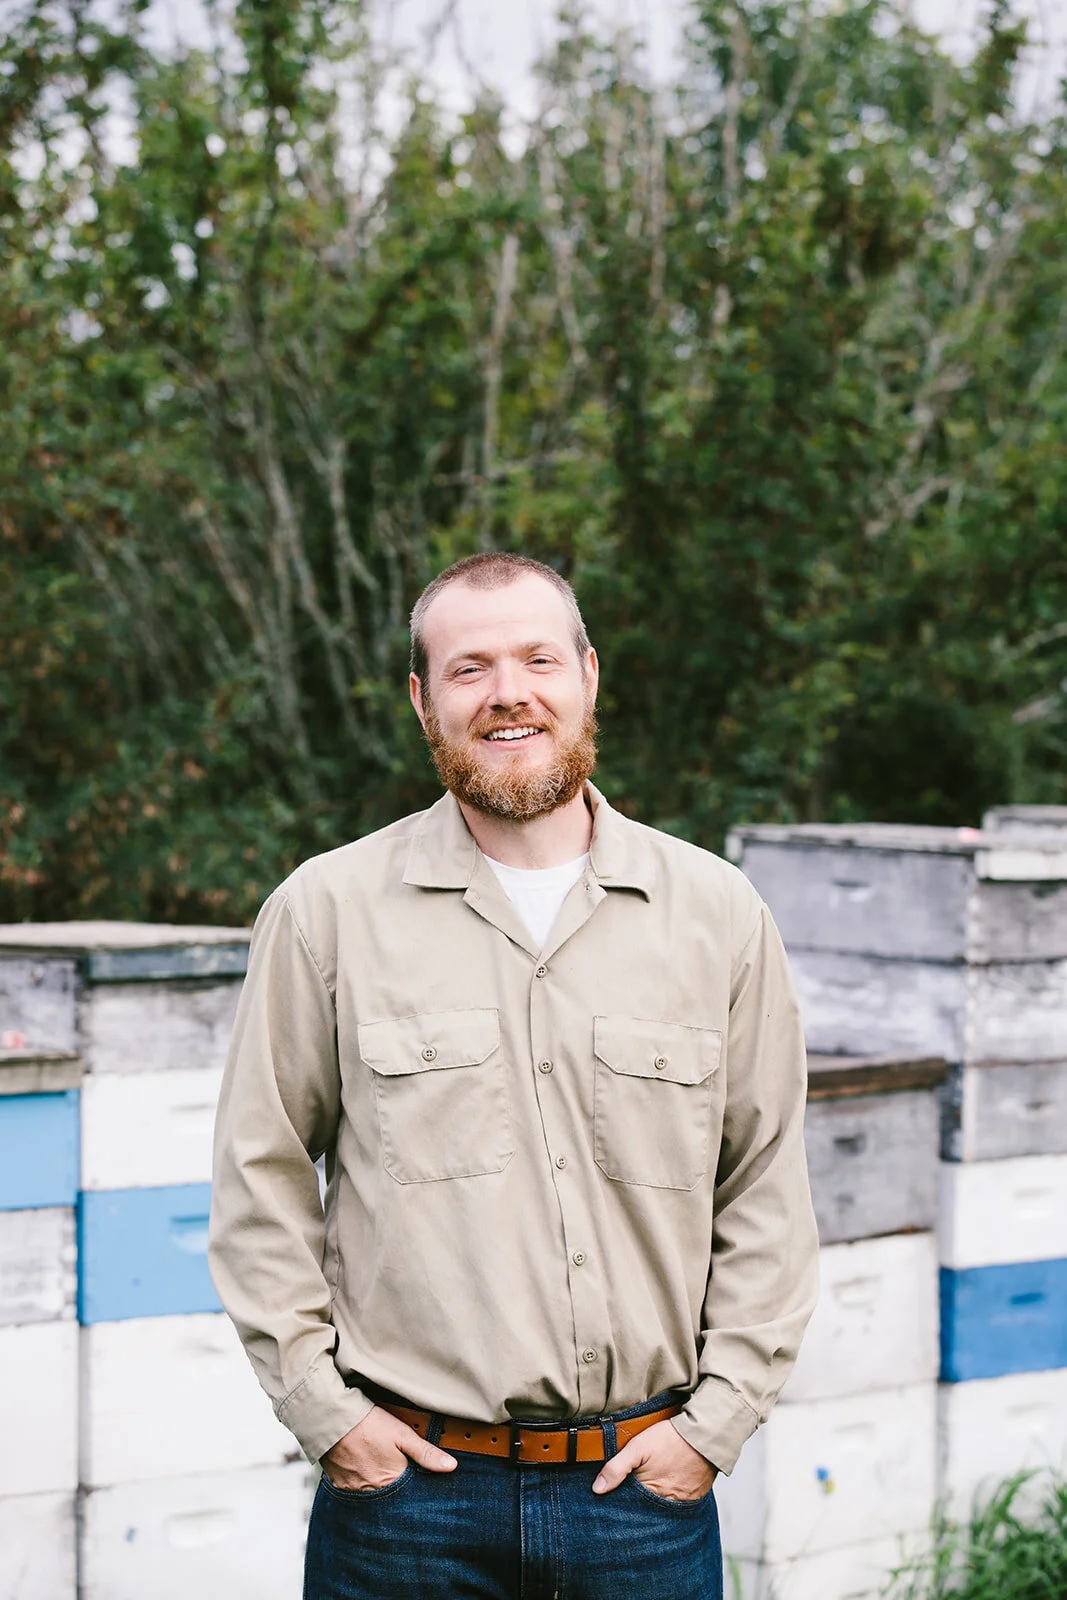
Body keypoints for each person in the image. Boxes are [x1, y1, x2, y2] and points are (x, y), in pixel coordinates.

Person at [209, 552, 819, 1600]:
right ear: (421, 699)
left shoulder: (716, 915)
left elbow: (763, 1187)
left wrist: (711, 1427)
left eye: (538, 658)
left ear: (587, 674)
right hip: (405, 1506)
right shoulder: (326, 912)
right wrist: (328, 1416)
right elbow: (256, 1177)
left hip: (642, 1502)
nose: (508, 693)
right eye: (469, 668)